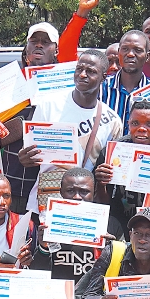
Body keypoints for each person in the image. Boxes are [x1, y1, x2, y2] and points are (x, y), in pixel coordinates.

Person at [0, 0, 103, 212]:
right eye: (33, 41)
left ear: (55, 51)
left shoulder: (66, 80)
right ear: (25, 49)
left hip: (52, 185)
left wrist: (81, 13)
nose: (38, 45)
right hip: (14, 181)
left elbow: (69, 41)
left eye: (45, 42)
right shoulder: (8, 85)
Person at [19, 49, 123, 213]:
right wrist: (26, 157)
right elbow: (31, 154)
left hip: (84, 206)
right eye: (79, 69)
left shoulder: (112, 120)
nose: (82, 75)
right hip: (46, 202)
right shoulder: (48, 106)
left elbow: (111, 171)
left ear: (104, 77)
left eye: (91, 71)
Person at [94, 99, 150, 235]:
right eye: (135, 123)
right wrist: (101, 184)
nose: (141, 129)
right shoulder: (112, 152)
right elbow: (101, 204)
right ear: (128, 124)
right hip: (118, 224)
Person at [31, 168, 123, 280]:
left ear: (94, 193)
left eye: (84, 191)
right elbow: (37, 275)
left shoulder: (111, 225)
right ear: (61, 192)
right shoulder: (49, 225)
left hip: (94, 295)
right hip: (60, 294)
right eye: (70, 191)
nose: (77, 197)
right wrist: (43, 248)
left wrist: (112, 250)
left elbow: (122, 271)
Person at [100, 30, 150, 132]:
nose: (130, 54)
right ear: (119, 52)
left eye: (137, 50)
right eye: (125, 49)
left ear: (147, 56)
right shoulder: (100, 88)